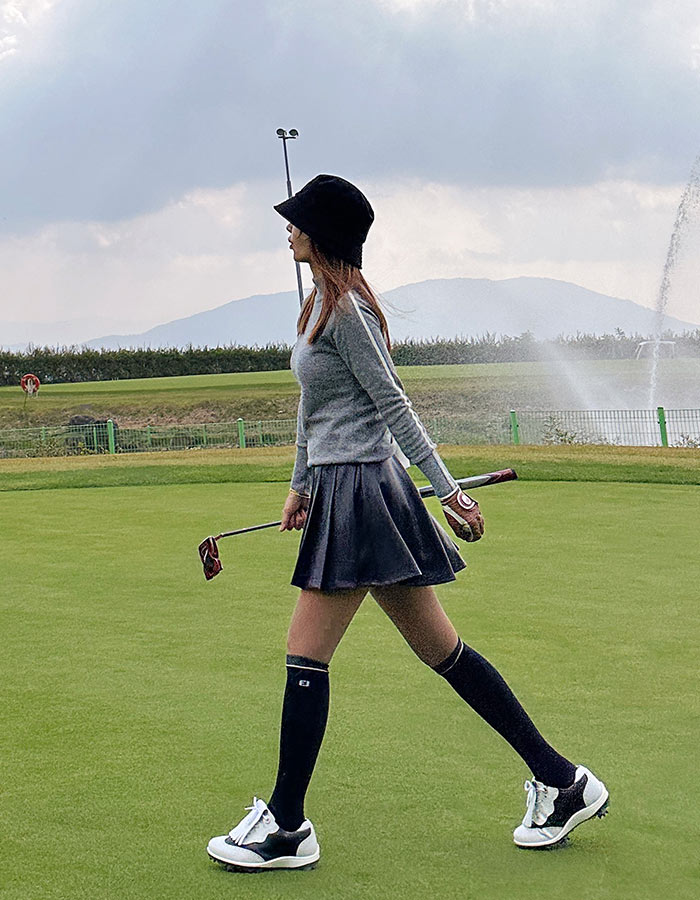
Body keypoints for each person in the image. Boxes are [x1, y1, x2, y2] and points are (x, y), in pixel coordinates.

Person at [206, 175, 608, 871]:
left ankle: (288, 825)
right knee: (441, 650)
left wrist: (450, 492)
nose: (288, 230)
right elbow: (312, 410)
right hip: (345, 489)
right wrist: (299, 483)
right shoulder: (316, 306)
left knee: (306, 655)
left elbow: (395, 406)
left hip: (363, 494)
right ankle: (561, 779)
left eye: (298, 222)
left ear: (324, 235)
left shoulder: (349, 313)